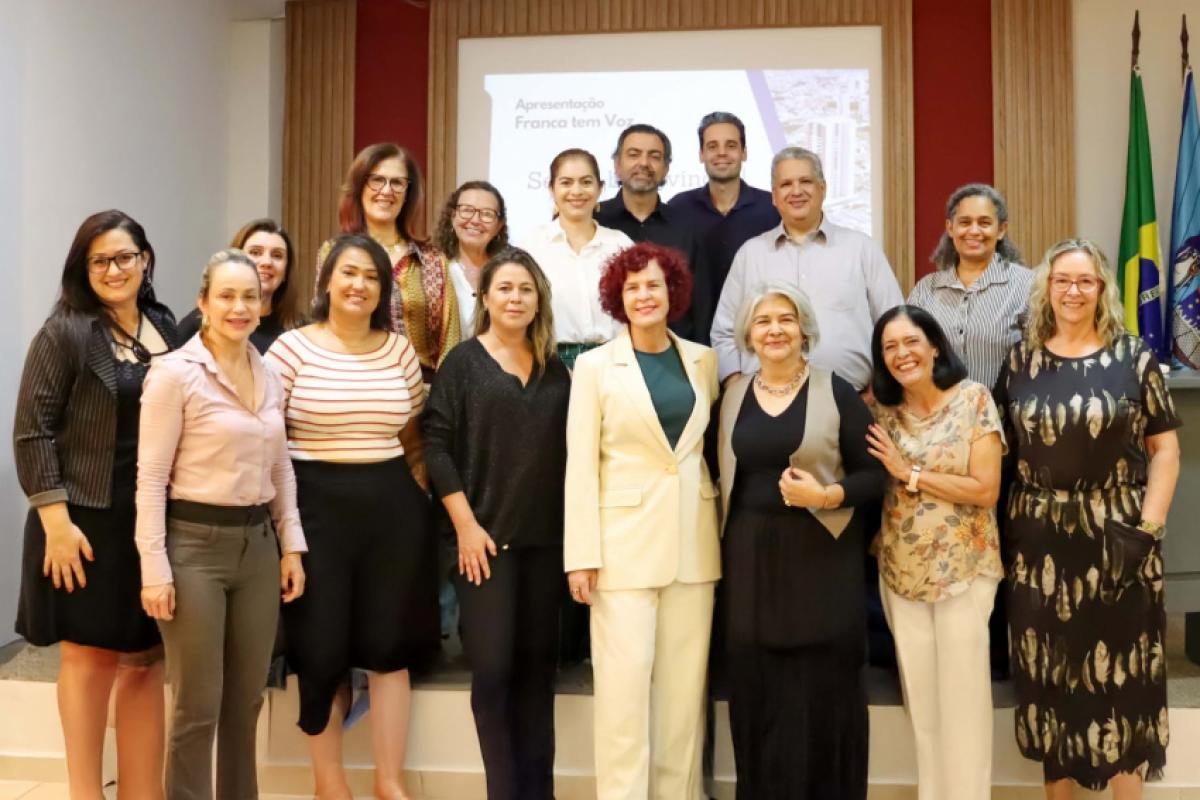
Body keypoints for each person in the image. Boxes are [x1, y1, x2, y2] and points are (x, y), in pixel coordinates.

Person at [996, 239, 1181, 798]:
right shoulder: (1020, 361)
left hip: (1117, 537)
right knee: (1051, 676)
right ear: (1045, 289)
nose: (1073, 291)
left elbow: (1165, 452)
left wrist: (1145, 531)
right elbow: (998, 450)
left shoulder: (1135, 358)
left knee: (1122, 676)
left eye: (1085, 281)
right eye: (1062, 281)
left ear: (1102, 290)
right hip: (1038, 543)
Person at [266, 234, 439, 800]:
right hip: (314, 505)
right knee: (320, 646)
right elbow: (268, 441)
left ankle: (389, 783)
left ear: (383, 288)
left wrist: (414, 489)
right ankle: (329, 784)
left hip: (391, 507)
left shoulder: (398, 351)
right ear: (327, 282)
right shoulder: (290, 350)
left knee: (391, 647)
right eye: (348, 273)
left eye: (370, 276)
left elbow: (414, 435)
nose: (359, 284)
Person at [14, 210, 177, 800]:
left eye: (125, 256)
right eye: (101, 260)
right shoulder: (65, 332)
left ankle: (142, 791)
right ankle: (85, 791)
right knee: (88, 660)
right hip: (82, 523)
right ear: (84, 269)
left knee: (145, 660)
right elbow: (31, 432)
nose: (115, 269)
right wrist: (56, 524)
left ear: (146, 259)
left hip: (149, 524)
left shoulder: (164, 325)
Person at [136, 249, 307, 800]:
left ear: (263, 304)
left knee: (246, 700)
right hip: (193, 550)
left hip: (258, 547)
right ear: (203, 303)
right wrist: (154, 568)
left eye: (249, 296)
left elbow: (281, 464)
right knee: (196, 705)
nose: (239, 307)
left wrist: (291, 545)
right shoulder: (174, 374)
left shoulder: (269, 370)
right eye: (227, 296)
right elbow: (150, 478)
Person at [564, 242, 719, 799]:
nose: (643, 295)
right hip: (620, 552)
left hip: (694, 549)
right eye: (632, 288)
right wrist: (580, 556)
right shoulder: (593, 366)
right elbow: (580, 465)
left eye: (653, 284)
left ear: (672, 291)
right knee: (623, 701)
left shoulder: (703, 359)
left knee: (683, 702)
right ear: (617, 298)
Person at [716, 283, 882, 799]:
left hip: (822, 558)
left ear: (804, 329)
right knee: (756, 683)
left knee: (821, 687)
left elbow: (876, 475)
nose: (775, 329)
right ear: (748, 334)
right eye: (763, 321)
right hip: (748, 558)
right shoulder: (733, 396)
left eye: (786, 319)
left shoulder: (837, 392)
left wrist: (830, 495)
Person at [424, 247, 570, 800]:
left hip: (545, 545)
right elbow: (436, 447)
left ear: (539, 300)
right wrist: (464, 525)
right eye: (504, 288)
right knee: (492, 674)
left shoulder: (557, 369)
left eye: (525, 289)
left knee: (538, 677)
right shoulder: (464, 363)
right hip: (483, 544)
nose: (515, 298)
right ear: (485, 299)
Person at [866, 305, 1005, 800]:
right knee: (922, 706)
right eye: (890, 347)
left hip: (964, 571)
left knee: (964, 704)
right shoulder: (880, 412)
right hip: (900, 573)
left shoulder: (973, 400)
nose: (902, 354)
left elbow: (985, 489)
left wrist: (912, 474)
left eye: (911, 342)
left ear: (935, 345)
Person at [710, 146, 903, 390]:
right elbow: (724, 332)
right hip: (764, 407)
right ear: (774, 196)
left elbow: (896, 324)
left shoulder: (862, 249)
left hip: (852, 403)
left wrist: (877, 393)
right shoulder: (750, 254)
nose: (796, 191)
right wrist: (736, 387)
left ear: (822, 189)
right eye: (786, 184)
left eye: (805, 181)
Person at [322, 142, 460, 382]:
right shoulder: (334, 253)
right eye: (377, 180)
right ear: (359, 186)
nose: (387, 191)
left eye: (397, 182)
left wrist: (443, 398)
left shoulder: (432, 260)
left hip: (423, 393)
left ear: (408, 192)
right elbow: (324, 321)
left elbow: (450, 338)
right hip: (352, 383)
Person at [669, 111, 780, 344]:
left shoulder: (772, 209)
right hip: (691, 344)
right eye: (712, 146)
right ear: (701, 154)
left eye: (731, 145)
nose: (721, 153)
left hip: (758, 342)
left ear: (744, 152)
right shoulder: (678, 209)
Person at [907, 183, 1032, 390]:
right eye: (964, 222)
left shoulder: (1027, 285)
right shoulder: (926, 289)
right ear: (950, 228)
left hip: (1002, 418)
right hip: (938, 417)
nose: (974, 231)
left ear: (1001, 230)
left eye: (984, 223)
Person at [521, 148, 634, 370]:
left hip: (616, 363)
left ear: (600, 188)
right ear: (551, 189)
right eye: (566, 182)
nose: (577, 191)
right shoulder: (532, 246)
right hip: (549, 365)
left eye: (586, 182)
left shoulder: (620, 245)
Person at [595, 123, 702, 340]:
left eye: (654, 156)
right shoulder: (594, 221)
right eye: (634, 154)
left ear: (666, 167)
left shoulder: (688, 227)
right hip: (607, 354)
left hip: (673, 355)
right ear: (617, 164)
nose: (643, 163)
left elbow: (701, 306)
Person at [177, 218, 302, 353]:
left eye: (277, 255)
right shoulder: (198, 323)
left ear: (286, 272)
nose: (267, 262)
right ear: (235, 261)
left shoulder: (301, 331)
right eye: (255, 252)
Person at [433, 180, 510, 335]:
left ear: (499, 226)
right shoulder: (433, 268)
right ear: (453, 216)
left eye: (487, 214)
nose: (475, 220)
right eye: (467, 210)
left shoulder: (510, 270)